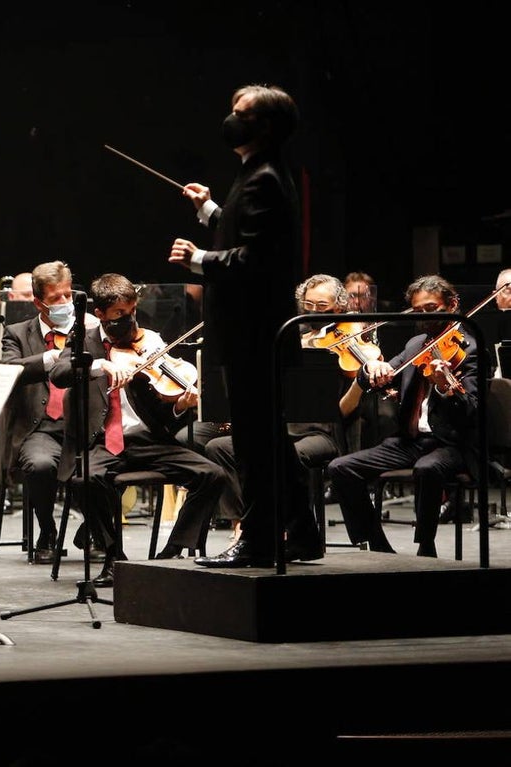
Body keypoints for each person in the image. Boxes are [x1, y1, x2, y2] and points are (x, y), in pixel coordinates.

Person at [168, 83, 319, 568]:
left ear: (266, 126)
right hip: (254, 330)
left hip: (254, 332)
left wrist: (199, 259)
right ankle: (304, 535)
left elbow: (258, 259)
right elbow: (251, 230)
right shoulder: (259, 173)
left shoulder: (265, 177)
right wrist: (211, 211)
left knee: (256, 444)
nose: (230, 118)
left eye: (241, 113)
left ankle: (258, 541)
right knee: (268, 439)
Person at [49, 273, 225, 586]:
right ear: (100, 314)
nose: (129, 321)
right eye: (119, 315)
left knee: (212, 475)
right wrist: (100, 365)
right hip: (103, 442)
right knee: (85, 480)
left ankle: (173, 551)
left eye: (132, 312)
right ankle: (114, 558)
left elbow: (162, 409)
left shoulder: (151, 342)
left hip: (148, 441)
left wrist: (180, 405)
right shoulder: (84, 340)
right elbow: (60, 373)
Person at [326, 275, 479, 558]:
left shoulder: (470, 349)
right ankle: (376, 543)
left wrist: (445, 388)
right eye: (418, 311)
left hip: (451, 443)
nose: (424, 317)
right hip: (410, 440)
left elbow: (472, 410)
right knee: (341, 467)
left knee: (427, 469)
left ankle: (425, 546)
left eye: (431, 309)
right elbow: (389, 372)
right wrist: (376, 370)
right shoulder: (415, 344)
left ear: (452, 304)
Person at [203, 274, 366, 538]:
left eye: (322, 307)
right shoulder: (290, 336)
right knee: (218, 447)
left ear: (339, 306)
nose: (313, 311)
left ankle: (285, 526)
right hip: (281, 426)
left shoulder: (348, 340)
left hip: (320, 434)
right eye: (308, 304)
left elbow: (344, 410)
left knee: (285, 455)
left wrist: (362, 378)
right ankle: (243, 524)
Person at [0, 261, 76, 563]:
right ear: (38, 301)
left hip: (81, 425)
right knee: (41, 465)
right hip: (40, 427)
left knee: (101, 467)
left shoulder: (88, 331)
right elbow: (8, 370)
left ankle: (96, 531)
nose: (65, 303)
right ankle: (47, 530)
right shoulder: (16, 334)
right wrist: (48, 358)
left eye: (68, 295)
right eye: (56, 298)